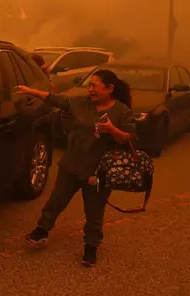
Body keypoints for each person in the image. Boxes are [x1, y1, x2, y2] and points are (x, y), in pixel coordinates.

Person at [15, 69, 138, 267]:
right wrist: (32, 91)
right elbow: (57, 100)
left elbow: (129, 139)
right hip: (71, 165)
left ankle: (91, 247)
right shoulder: (81, 103)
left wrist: (112, 129)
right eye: (89, 85)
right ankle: (42, 231)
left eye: (95, 86)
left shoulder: (121, 111)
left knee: (94, 211)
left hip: (98, 173)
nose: (90, 89)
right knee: (56, 201)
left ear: (109, 89)